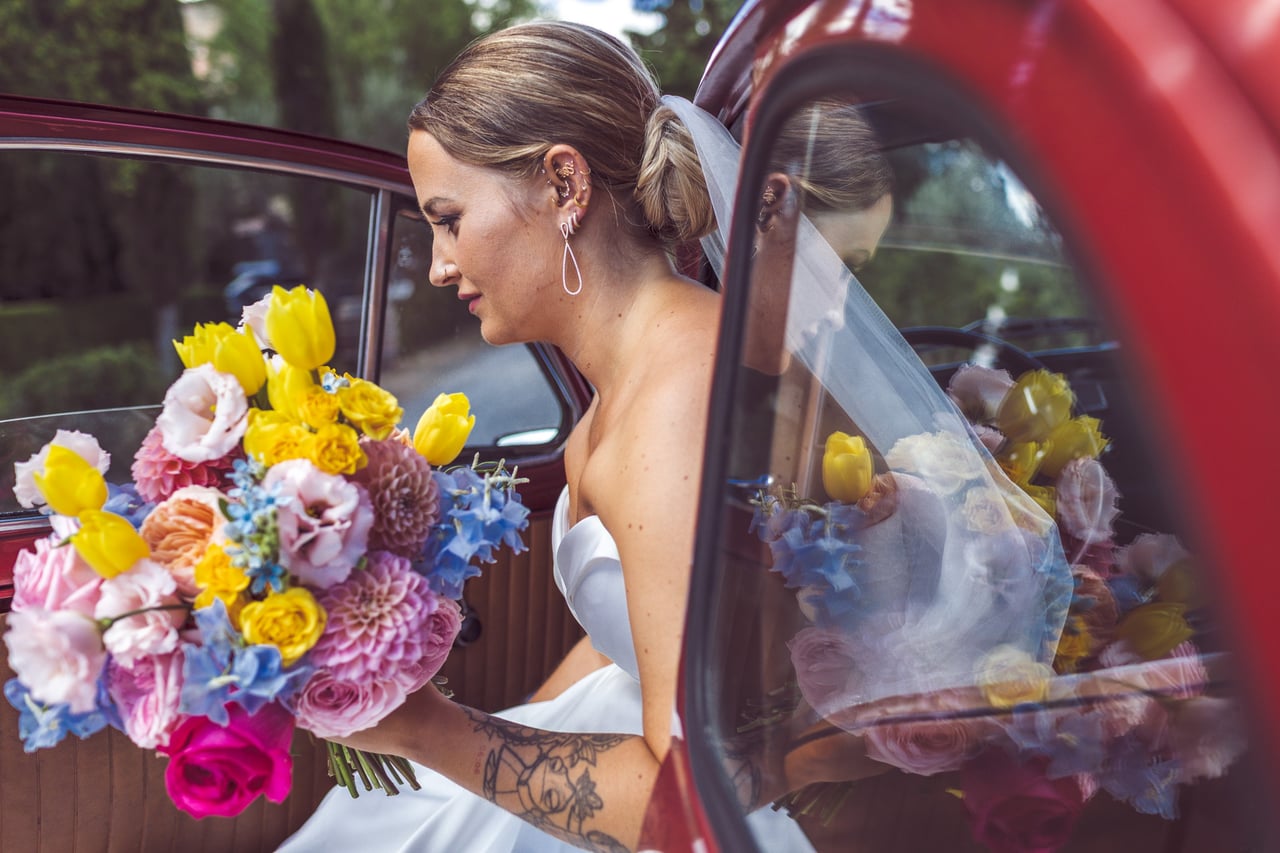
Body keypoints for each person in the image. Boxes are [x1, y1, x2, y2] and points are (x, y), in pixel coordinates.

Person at [280, 21, 853, 852]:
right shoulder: (628, 389)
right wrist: (495, 738)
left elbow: (694, 798)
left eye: (450, 219)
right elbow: (635, 641)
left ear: (563, 183)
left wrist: (426, 731)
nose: (438, 265)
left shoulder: (678, 398)